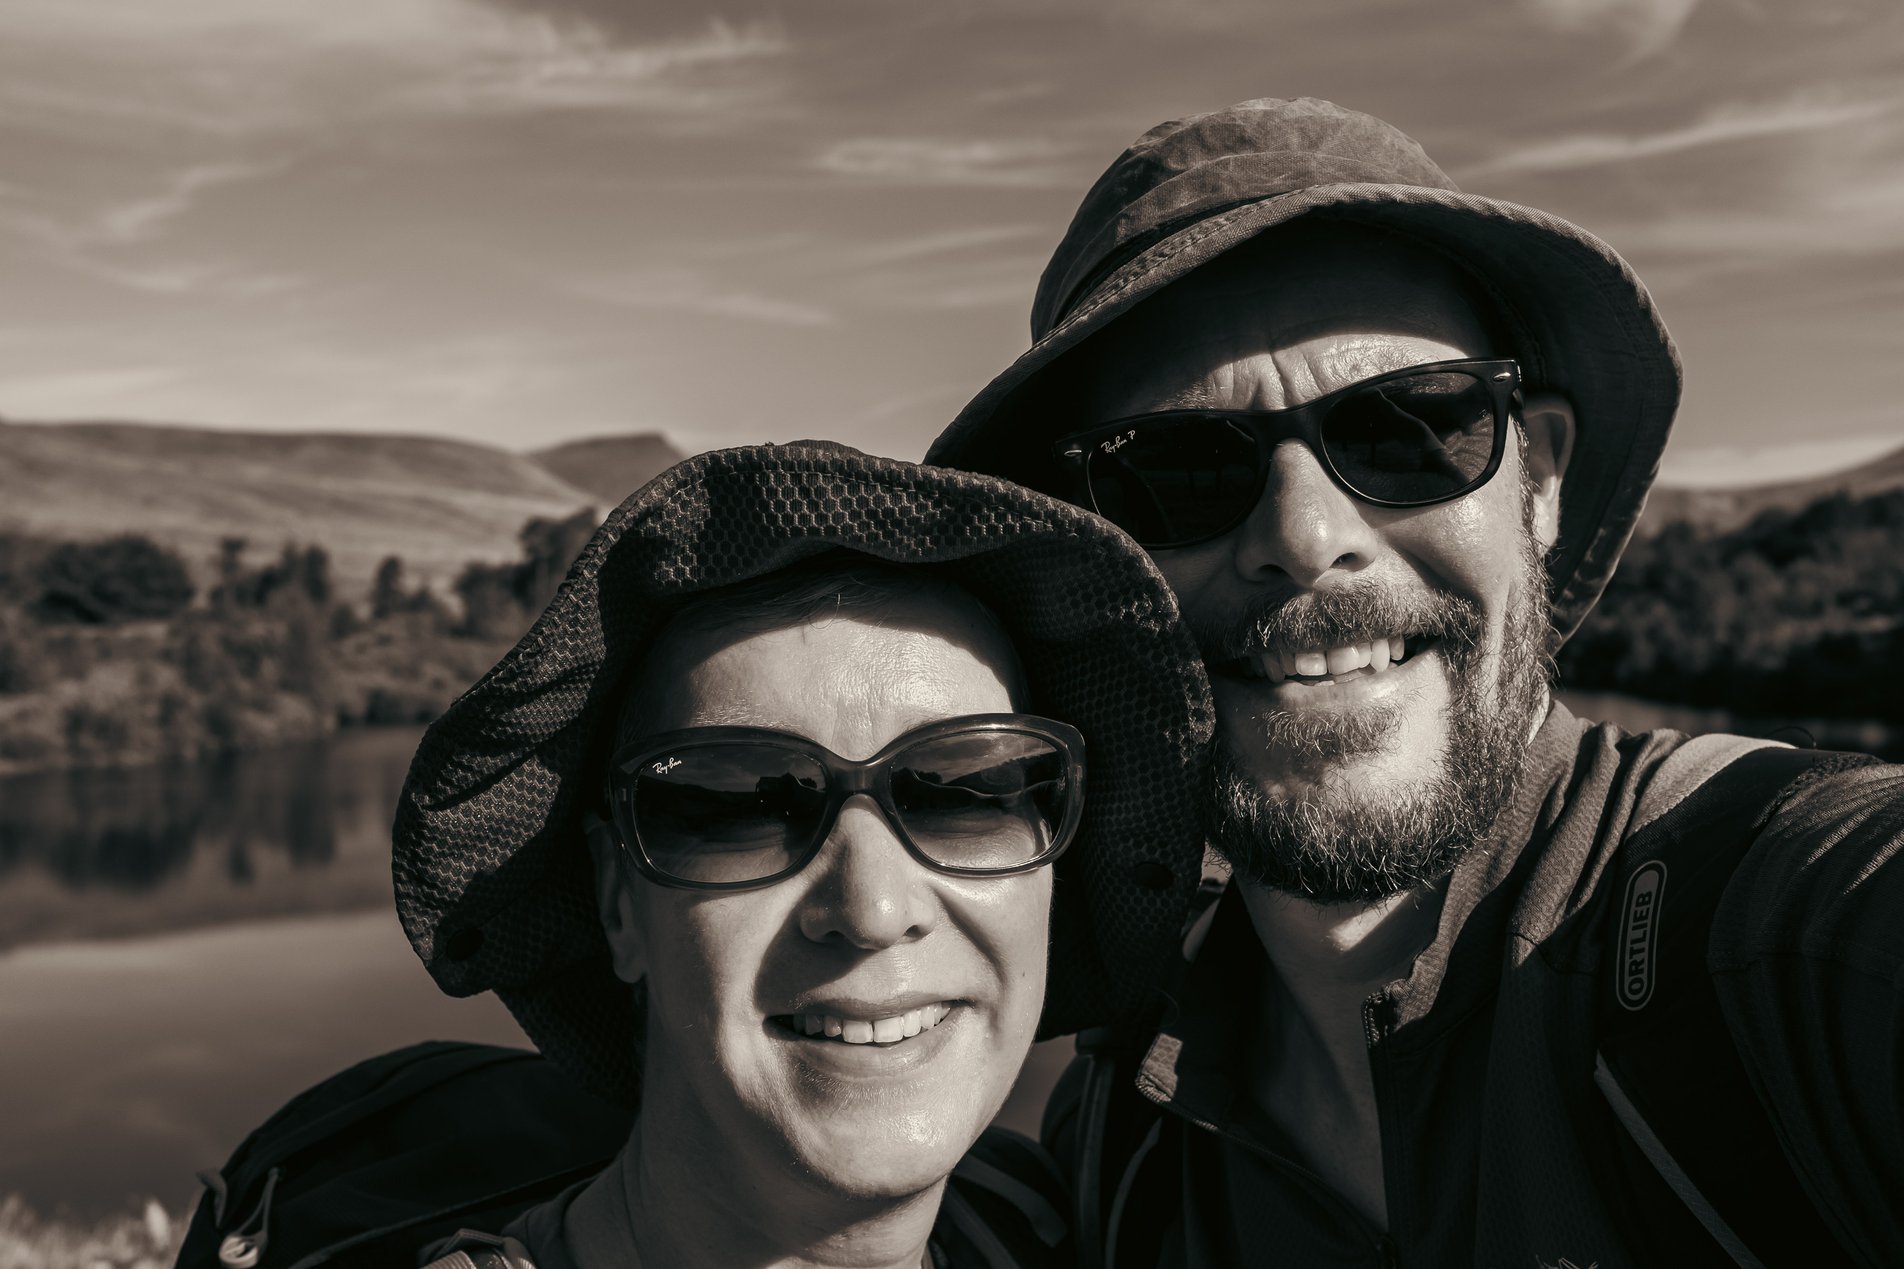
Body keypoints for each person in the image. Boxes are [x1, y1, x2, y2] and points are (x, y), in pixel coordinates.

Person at [926, 97, 1904, 1267]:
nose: (1303, 533)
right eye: (1176, 469)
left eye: (1404, 431)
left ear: (1535, 480)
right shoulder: (1119, 1138)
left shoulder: (1786, 943)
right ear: (1090, 566)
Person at [386, 442, 1214, 1269]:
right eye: (743, 804)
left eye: (966, 790)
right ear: (617, 901)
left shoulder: (1034, 1224)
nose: (873, 910)